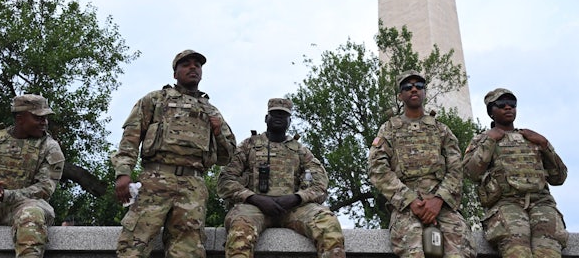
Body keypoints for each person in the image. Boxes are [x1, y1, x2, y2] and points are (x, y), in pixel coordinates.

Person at [111, 49, 236, 258]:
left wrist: (218, 133)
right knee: (133, 246)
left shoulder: (211, 111)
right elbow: (130, 138)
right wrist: (123, 173)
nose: (193, 67)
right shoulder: (155, 100)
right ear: (175, 73)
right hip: (154, 180)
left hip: (193, 186)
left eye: (197, 64)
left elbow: (228, 157)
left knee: (187, 251)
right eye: (186, 64)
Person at [218, 98, 345, 258]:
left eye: (283, 115)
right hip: (254, 207)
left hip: (293, 208)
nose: (279, 117)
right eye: (274, 114)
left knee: (327, 223)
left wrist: (297, 198)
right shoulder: (248, 146)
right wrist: (254, 198)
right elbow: (225, 181)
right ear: (266, 118)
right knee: (240, 231)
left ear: (290, 121)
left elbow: (320, 185)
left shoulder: (300, 151)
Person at [368, 70, 475, 258]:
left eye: (419, 86)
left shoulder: (441, 130)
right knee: (412, 252)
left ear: (424, 92)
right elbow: (378, 170)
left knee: (461, 249)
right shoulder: (389, 129)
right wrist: (410, 200)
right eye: (407, 87)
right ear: (400, 95)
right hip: (406, 206)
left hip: (442, 204)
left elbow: (456, 169)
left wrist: (438, 200)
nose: (414, 89)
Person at [463, 88, 568, 258]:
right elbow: (470, 173)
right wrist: (489, 141)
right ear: (491, 111)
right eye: (501, 104)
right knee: (517, 248)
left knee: (549, 250)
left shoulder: (531, 138)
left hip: (541, 203)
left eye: (512, 104)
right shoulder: (482, 139)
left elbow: (560, 177)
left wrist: (545, 144)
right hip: (506, 204)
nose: (508, 107)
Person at [0, 94, 65, 257]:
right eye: (38, 117)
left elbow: (44, 189)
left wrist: (5, 195)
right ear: (20, 118)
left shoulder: (50, 148)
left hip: (23, 206)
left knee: (32, 214)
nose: (44, 122)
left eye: (45, 118)